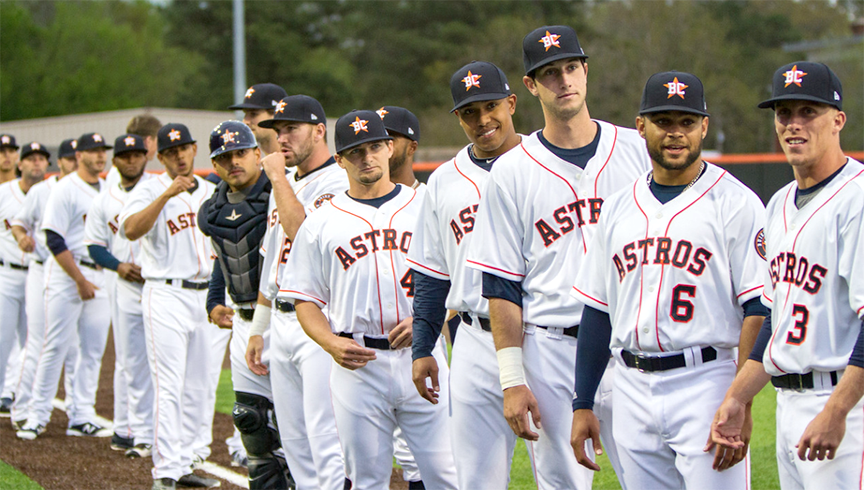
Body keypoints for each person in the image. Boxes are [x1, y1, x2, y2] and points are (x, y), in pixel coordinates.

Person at [466, 25, 651, 488]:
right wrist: (511, 379)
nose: (563, 80)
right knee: (563, 484)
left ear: (585, 72)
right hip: (551, 349)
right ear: (530, 86)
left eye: (570, 67)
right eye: (549, 73)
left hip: (632, 344)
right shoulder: (511, 171)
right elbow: (501, 285)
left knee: (653, 478)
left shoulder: (637, 150)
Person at [569, 71, 767, 489]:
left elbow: (759, 308)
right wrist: (583, 401)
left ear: (704, 127)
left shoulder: (736, 203)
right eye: (664, 122)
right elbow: (598, 310)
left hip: (705, 380)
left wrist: (741, 398)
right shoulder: (618, 207)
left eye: (687, 122)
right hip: (630, 385)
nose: (676, 134)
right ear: (641, 126)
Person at [282, 109, 458, 489]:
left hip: (424, 356)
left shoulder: (425, 205)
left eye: (375, 146)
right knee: (366, 480)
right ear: (340, 159)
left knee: (446, 474)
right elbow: (304, 298)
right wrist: (330, 343)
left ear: (390, 148)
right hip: (358, 366)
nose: (367, 157)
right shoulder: (321, 221)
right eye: (356, 151)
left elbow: (461, 280)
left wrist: (430, 319)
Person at [709, 61, 864, 490]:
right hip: (788, 405)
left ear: (838, 120)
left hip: (847, 407)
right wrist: (739, 397)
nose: (793, 124)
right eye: (784, 113)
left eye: (807, 112)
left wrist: (838, 411)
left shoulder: (857, 200)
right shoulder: (777, 204)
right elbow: (779, 320)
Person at [409, 60, 525, 489]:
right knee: (474, 478)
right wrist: (423, 347)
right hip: (475, 338)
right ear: (458, 117)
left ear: (512, 103)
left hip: (543, 334)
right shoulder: (444, 181)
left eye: (491, 106)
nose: (483, 120)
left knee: (561, 474)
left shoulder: (545, 163)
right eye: (470, 112)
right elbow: (432, 275)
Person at [248, 94, 348, 489]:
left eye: (291, 129)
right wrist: (259, 324)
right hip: (282, 320)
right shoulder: (286, 182)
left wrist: (275, 178)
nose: (281, 138)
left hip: (320, 318)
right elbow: (272, 259)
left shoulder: (339, 180)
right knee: (295, 441)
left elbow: (303, 236)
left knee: (326, 438)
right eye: (277, 130)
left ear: (320, 130)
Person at [119, 123, 219, 490]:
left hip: (206, 294)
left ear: (194, 151)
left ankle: (189, 460)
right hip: (165, 293)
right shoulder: (148, 188)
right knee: (169, 384)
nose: (179, 155)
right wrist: (165, 196)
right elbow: (130, 230)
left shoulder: (211, 190)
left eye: (185, 148)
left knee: (200, 385)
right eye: (171, 151)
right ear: (160, 157)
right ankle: (165, 471)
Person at [199, 120, 293, 489]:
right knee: (251, 420)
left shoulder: (283, 191)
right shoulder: (212, 208)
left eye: (240, 152)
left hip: (288, 318)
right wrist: (213, 299)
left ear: (257, 153)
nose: (233, 162)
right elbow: (224, 256)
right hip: (242, 320)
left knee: (300, 424)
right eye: (224, 157)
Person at [17, 133, 113, 441]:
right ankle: (37, 415)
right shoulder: (64, 188)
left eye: (103, 151)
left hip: (99, 275)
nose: (100, 156)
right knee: (54, 346)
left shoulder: (109, 188)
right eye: (93, 151)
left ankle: (82, 414)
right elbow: (53, 238)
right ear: (79, 155)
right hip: (66, 273)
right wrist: (79, 280)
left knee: (92, 350)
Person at [84, 134, 154, 457]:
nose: (131, 160)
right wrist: (118, 266)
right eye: (125, 155)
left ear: (146, 157)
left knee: (157, 361)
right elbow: (94, 246)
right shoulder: (103, 199)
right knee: (128, 359)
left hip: (158, 284)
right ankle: (127, 428)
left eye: (137, 154)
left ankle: (145, 429)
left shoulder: (157, 190)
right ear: (115, 161)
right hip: (125, 284)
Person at [9, 138, 79, 430]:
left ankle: (79, 412)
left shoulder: (89, 190)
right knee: (37, 340)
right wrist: (21, 238)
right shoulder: (42, 190)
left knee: (75, 348)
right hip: (42, 268)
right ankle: (22, 408)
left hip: (77, 272)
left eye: (78, 157)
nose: (74, 162)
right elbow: (18, 222)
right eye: (69, 158)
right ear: (59, 162)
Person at [378, 103, 427, 488]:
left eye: (387, 140)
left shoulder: (431, 200)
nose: (378, 149)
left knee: (426, 461)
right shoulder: (346, 205)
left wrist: (428, 320)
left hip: (425, 346)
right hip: (363, 353)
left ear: (410, 146)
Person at [0, 142, 49, 419]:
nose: (36, 163)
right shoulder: (3, 193)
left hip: (36, 273)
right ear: (21, 164)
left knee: (31, 339)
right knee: (3, 338)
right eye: (31, 159)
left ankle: (13, 391)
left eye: (41, 159)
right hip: (5, 273)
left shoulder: (47, 193)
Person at [230, 83, 288, 157]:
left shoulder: (298, 164)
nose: (245, 122)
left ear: (276, 115)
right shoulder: (251, 163)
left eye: (253, 114)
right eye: (245, 114)